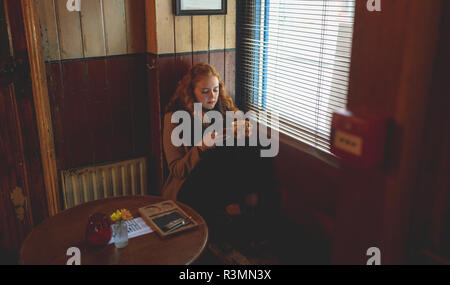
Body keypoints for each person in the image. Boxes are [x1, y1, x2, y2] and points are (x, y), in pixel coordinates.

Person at [162, 63, 267, 239]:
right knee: (219, 154)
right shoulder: (174, 118)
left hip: (223, 182)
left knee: (251, 145)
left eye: (216, 90)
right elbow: (177, 169)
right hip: (190, 183)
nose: (212, 96)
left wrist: (245, 131)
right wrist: (202, 146)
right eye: (205, 91)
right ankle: (240, 206)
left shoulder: (223, 109)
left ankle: (243, 204)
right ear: (191, 92)